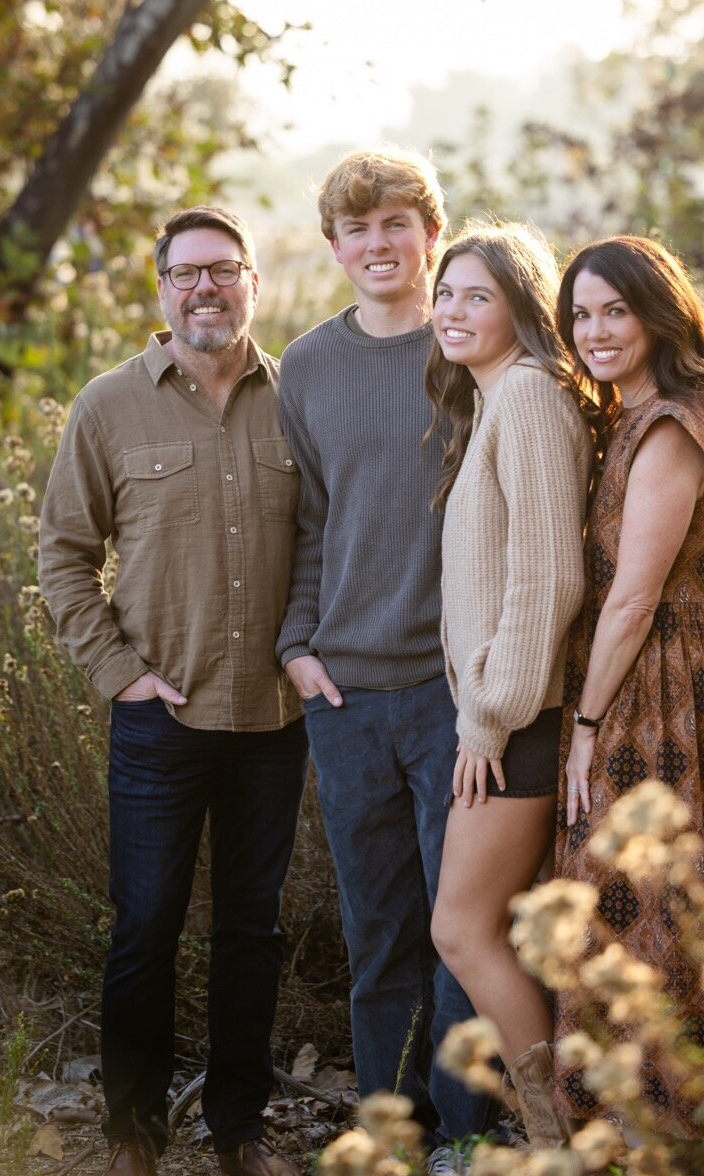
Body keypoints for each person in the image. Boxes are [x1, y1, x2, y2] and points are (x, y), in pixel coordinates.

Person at [39, 207, 307, 1176]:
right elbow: (63, 557)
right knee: (145, 924)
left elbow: (324, 545)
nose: (207, 287)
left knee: (252, 928)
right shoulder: (109, 405)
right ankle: (131, 1133)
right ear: (161, 290)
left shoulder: (296, 398)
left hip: (274, 717)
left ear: (252, 285)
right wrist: (122, 676)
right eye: (187, 272)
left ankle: (239, 1129)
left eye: (225, 270)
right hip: (161, 716)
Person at [276, 148, 497, 1166]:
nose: (377, 243)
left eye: (395, 223)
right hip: (348, 694)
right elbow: (307, 521)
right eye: (357, 229)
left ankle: (463, 1129)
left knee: (461, 930)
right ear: (334, 247)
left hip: (457, 694)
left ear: (429, 234)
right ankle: (387, 1124)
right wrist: (297, 649)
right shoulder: (309, 367)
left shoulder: (470, 349)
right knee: (379, 931)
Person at [552, 234, 704, 1136]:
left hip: (661, 687)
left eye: (614, 310)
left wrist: (584, 723)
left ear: (657, 313)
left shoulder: (673, 423)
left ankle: (663, 1122)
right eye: (579, 314)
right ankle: (643, 1116)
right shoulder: (629, 415)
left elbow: (636, 596)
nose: (593, 330)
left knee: (639, 894)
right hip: (661, 672)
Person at [424, 222, 593, 1149]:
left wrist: (486, 719)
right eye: (446, 293)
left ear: (521, 308)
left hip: (514, 722)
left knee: (462, 931)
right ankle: (562, 1133)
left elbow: (547, 579)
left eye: (476, 295)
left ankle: (555, 1139)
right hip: (502, 715)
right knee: (490, 931)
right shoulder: (494, 401)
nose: (452, 310)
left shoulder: (526, 395)